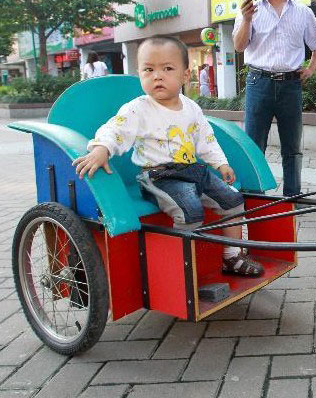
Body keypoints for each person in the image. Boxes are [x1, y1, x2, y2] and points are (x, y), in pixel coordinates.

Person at [72, 36, 263, 276]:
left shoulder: (191, 107)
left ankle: (232, 257)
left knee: (234, 201)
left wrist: (221, 163)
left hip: (193, 171)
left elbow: (206, 137)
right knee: (189, 212)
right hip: (159, 176)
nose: (157, 76)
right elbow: (116, 129)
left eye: (167, 69)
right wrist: (102, 148)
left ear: (185, 76)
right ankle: (182, 270)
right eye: (148, 70)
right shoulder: (138, 108)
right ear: (140, 73)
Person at [233, 0, 316, 197]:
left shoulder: (303, 12)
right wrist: (246, 20)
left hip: (290, 85)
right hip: (258, 82)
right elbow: (240, 46)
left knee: (292, 147)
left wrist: (311, 69)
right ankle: (254, 197)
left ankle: (292, 197)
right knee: (254, 145)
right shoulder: (250, 11)